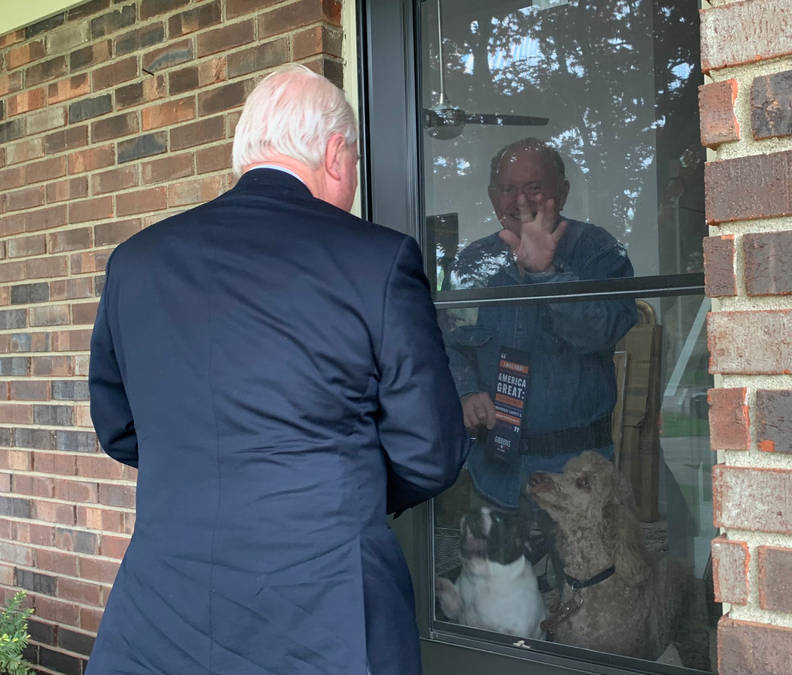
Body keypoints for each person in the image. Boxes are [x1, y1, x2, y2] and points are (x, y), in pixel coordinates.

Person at [87, 64, 469, 675]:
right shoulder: (378, 259)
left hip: (160, 616)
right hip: (327, 617)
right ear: (337, 154)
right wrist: (342, 487)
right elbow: (431, 450)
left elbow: (118, 427)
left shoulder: (134, 263)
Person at [442, 138, 638, 513]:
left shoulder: (598, 251)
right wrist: (465, 391)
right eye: (508, 188)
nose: (520, 200)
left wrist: (546, 275)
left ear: (561, 192)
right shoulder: (472, 263)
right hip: (494, 472)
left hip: (577, 477)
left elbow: (601, 331)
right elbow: (447, 344)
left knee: (579, 573)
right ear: (491, 196)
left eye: (535, 187)